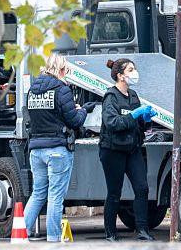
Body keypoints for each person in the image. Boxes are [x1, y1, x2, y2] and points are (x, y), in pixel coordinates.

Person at [23, 55, 88, 241]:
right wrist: (82, 110)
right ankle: (53, 238)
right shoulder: (62, 90)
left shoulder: (32, 90)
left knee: (38, 193)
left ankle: (21, 232)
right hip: (57, 149)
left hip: (36, 149)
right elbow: (74, 121)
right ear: (60, 70)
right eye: (65, 70)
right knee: (55, 196)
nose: (66, 74)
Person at [99, 58, 156, 242]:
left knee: (142, 188)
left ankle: (142, 230)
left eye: (134, 69)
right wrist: (133, 115)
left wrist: (146, 119)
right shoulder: (111, 97)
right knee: (114, 192)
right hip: (113, 150)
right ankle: (110, 233)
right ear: (120, 75)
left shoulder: (133, 95)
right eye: (130, 70)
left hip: (132, 149)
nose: (134, 72)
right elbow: (112, 123)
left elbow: (141, 126)